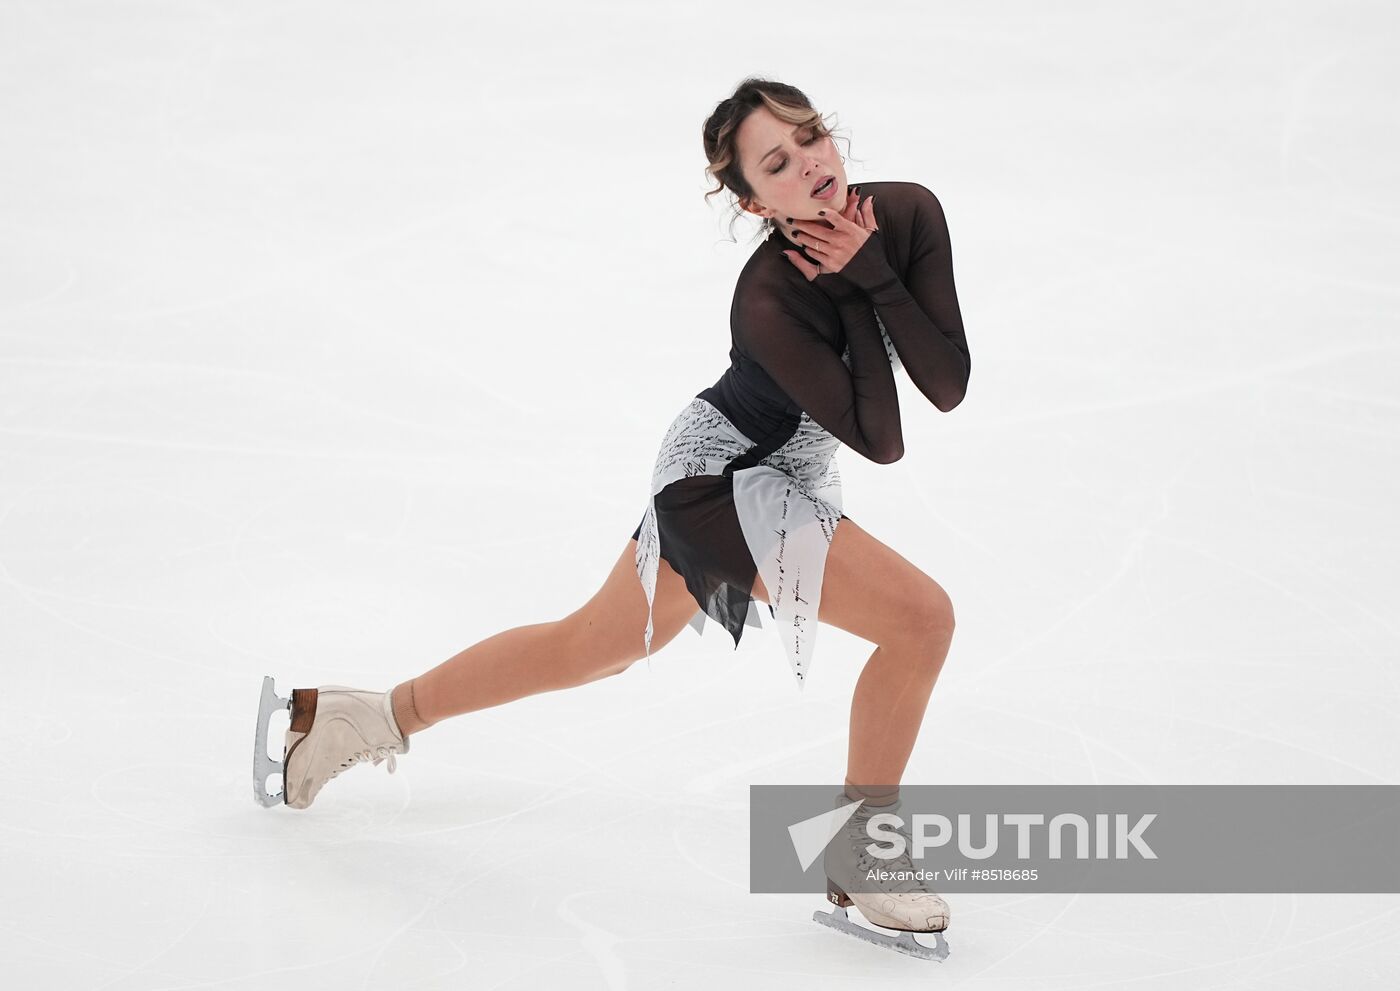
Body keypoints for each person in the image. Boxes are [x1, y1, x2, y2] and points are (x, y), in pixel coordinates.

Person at [255, 77, 970, 952]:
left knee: (590, 644)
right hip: (721, 476)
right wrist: (861, 284)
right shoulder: (768, 295)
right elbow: (883, 438)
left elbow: (946, 382)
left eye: (811, 137)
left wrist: (871, 272)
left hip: (789, 472)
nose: (809, 165)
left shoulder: (908, 215)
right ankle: (864, 847)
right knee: (920, 618)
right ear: (752, 200)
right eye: (776, 164)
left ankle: (357, 717)